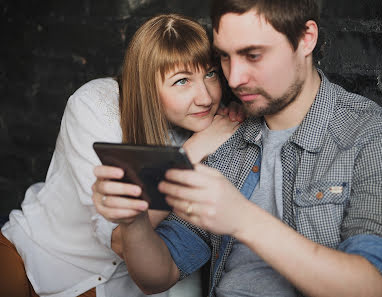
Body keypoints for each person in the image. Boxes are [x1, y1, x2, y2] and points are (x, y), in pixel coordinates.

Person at [92, 1, 382, 297]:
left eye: (253, 55)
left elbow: (375, 288)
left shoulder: (377, 140)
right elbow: (158, 275)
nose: (234, 78)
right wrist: (135, 222)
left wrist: (243, 219)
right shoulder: (227, 145)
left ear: (305, 38)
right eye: (224, 57)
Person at [0, 14, 243, 297]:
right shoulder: (95, 106)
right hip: (32, 253)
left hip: (106, 288)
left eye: (210, 74)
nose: (205, 97)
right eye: (182, 81)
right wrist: (193, 151)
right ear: (147, 87)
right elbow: (117, 238)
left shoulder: (215, 128)